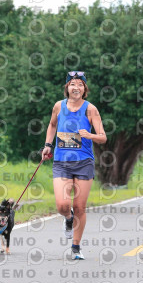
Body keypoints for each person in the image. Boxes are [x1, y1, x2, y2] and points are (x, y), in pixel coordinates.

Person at [41, 71, 107, 260]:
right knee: (63, 205)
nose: (76, 87)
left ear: (84, 89)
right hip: (61, 162)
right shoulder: (58, 106)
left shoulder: (90, 109)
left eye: (80, 84)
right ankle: (68, 219)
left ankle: (76, 247)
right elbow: (52, 125)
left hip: (84, 162)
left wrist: (90, 135)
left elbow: (103, 137)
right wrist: (47, 145)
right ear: (67, 88)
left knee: (79, 206)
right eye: (72, 84)